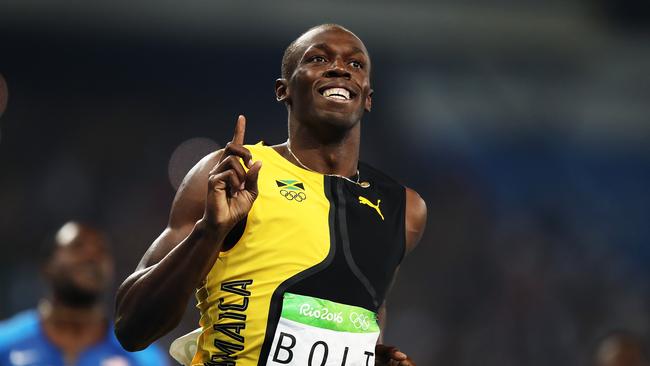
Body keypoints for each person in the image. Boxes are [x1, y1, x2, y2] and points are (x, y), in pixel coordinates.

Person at [114, 23, 427, 366]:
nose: (339, 68)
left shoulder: (404, 208)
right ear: (284, 90)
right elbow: (131, 328)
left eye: (356, 64)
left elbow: (365, 309)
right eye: (319, 59)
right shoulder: (234, 172)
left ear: (367, 97)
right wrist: (209, 231)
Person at [0, 221, 168, 366]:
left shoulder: (142, 359)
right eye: (77, 246)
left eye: (101, 251)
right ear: (47, 266)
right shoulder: (6, 343)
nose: (92, 256)